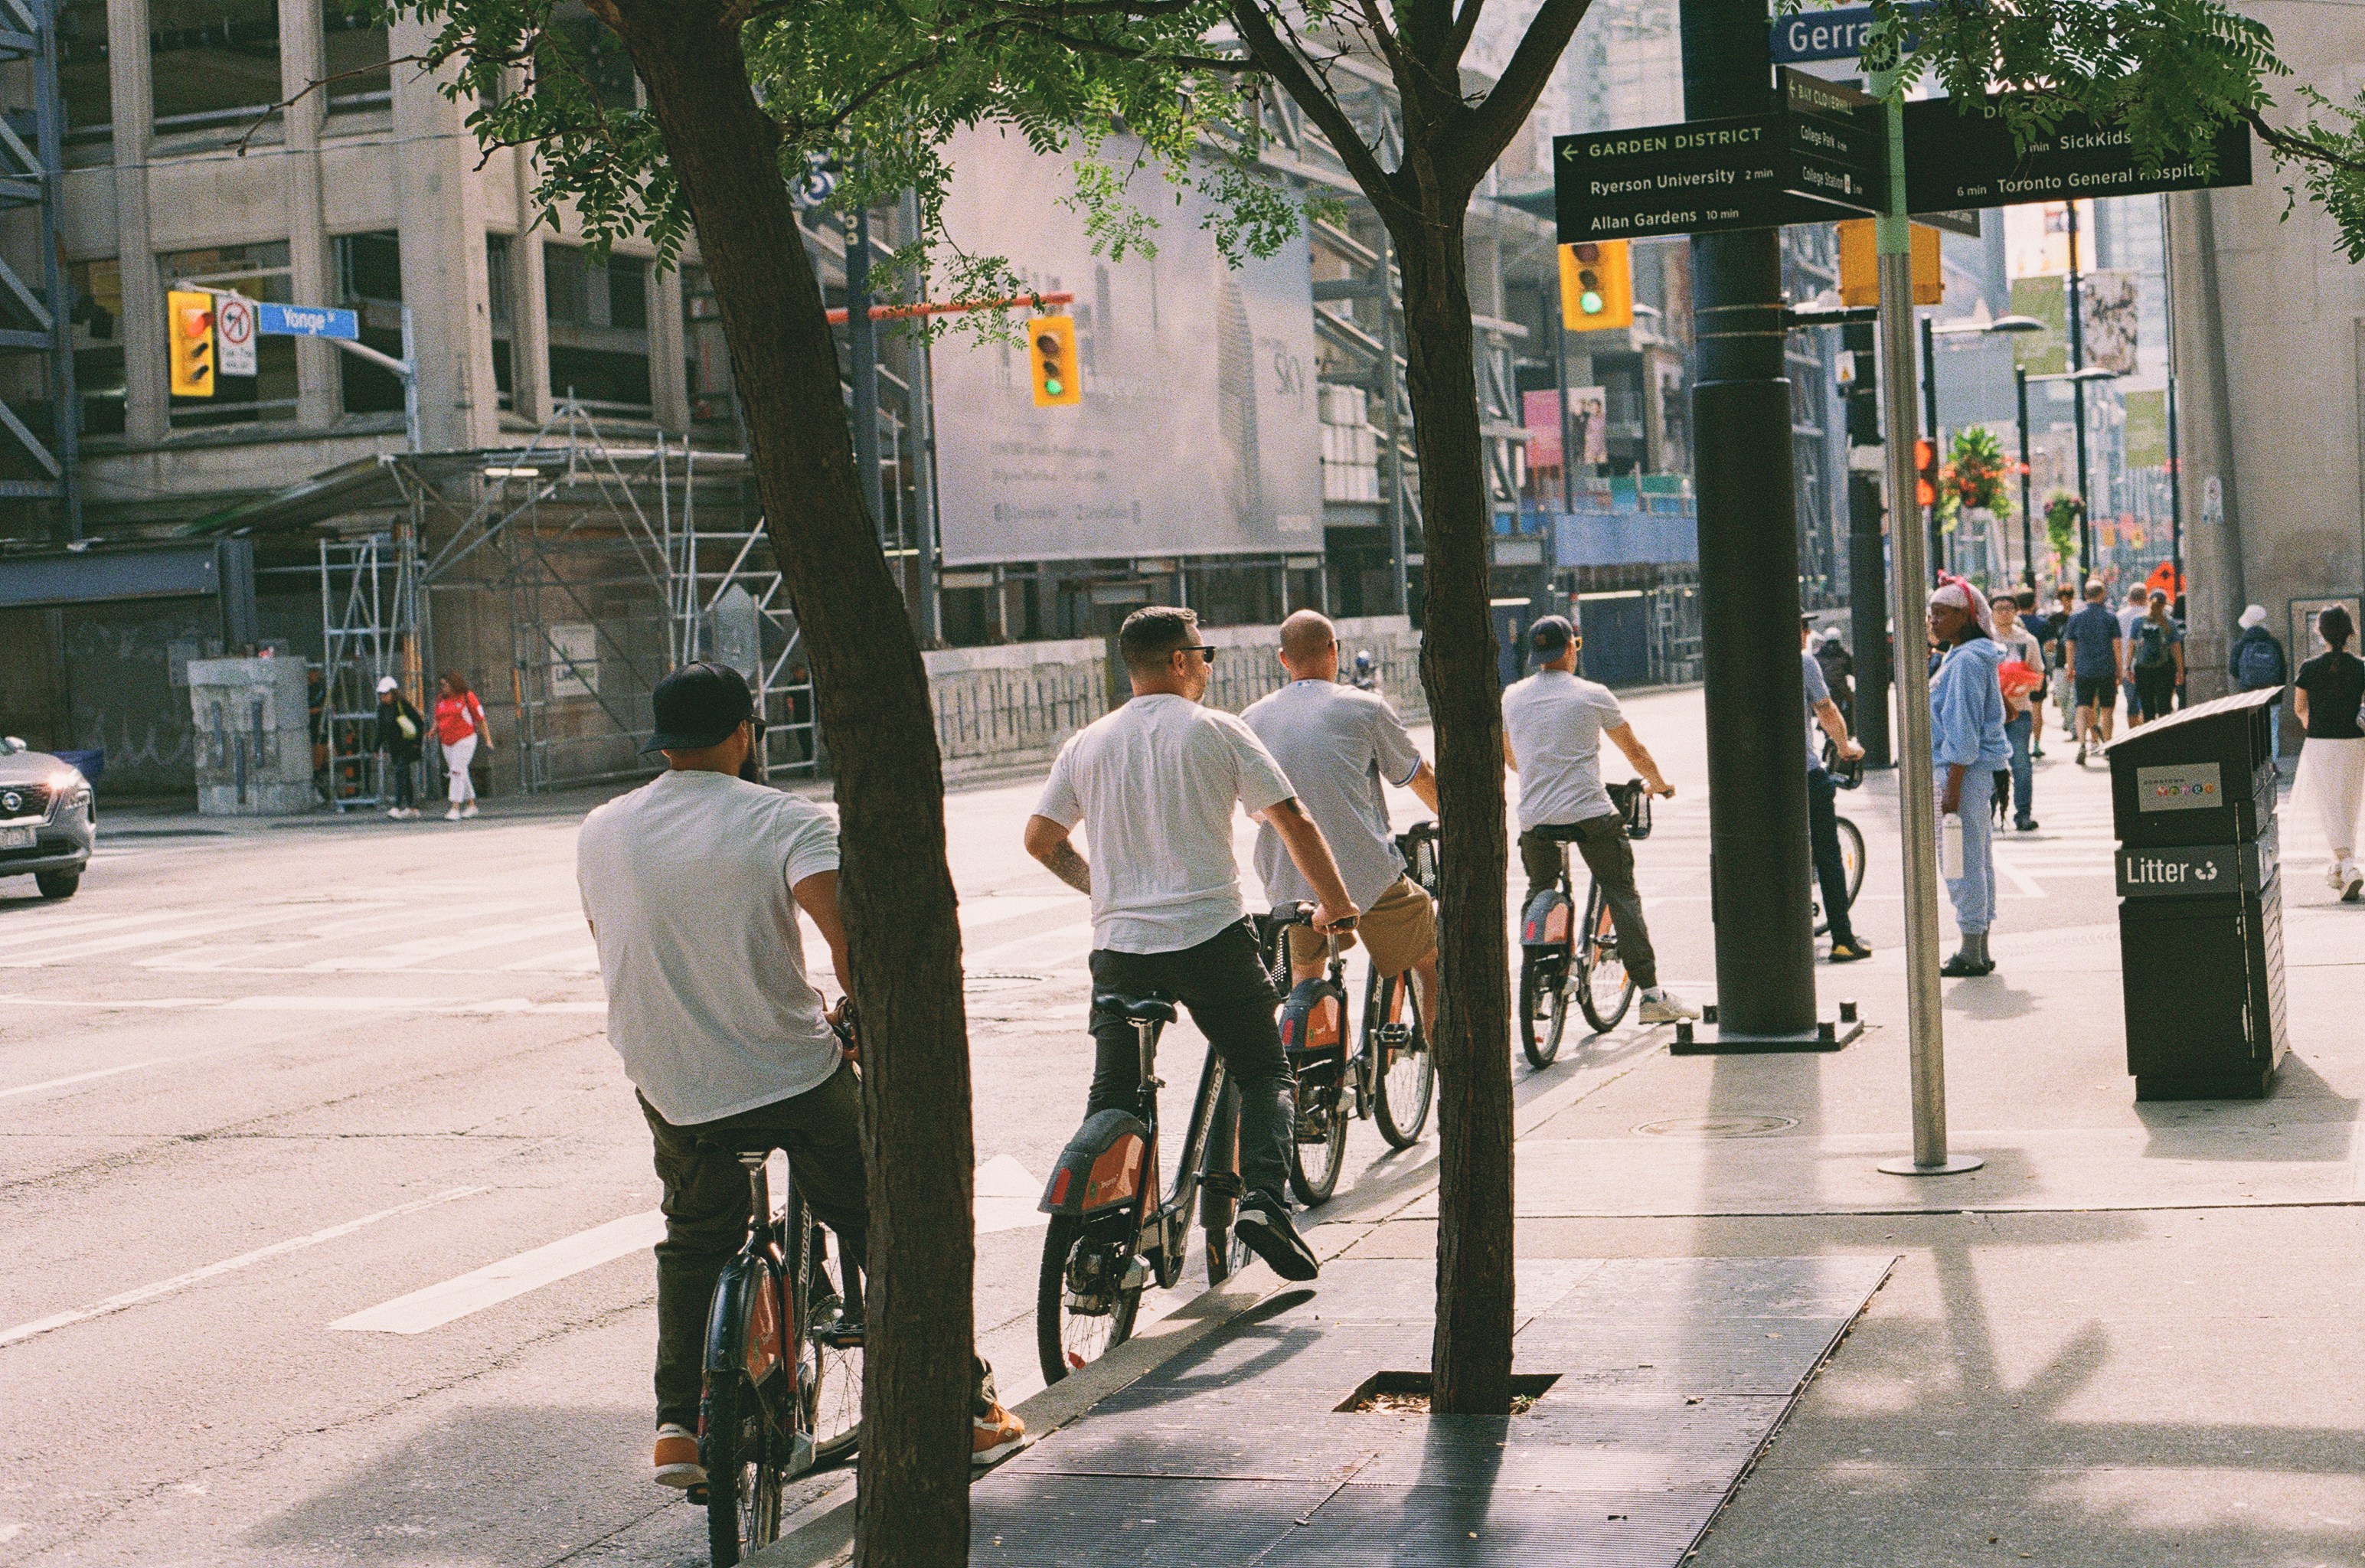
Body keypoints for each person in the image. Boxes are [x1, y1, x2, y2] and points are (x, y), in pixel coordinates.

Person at [576, 662, 1028, 1488]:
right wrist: (868, 1022)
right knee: (878, 1220)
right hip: (787, 1072)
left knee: (693, 1239)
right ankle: (963, 1409)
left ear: (662, 740)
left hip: (667, 1077)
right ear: (745, 732)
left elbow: (611, 936)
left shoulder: (602, 824)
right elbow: (845, 938)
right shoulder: (783, 818)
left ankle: (678, 1425)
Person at [1024, 606, 1357, 1282]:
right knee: (1263, 1071)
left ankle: (1100, 1236)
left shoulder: (1086, 743)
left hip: (1119, 946)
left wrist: (1105, 891)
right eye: (1203, 654)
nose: (1207, 666)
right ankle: (1264, 1201)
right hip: (1208, 938)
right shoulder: (1216, 731)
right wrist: (1338, 906)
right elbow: (1290, 818)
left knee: (1114, 1093)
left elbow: (1041, 840)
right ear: (1178, 661)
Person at [1243, 611, 1442, 1027]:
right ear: (1335, 650)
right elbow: (1416, 776)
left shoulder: (1251, 720)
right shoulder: (1366, 707)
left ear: (1283, 659)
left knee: (1306, 975)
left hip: (1293, 879)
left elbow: (1258, 809)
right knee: (1429, 958)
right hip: (1365, 874)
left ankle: (1320, 1070)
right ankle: (1446, 1066)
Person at [1501, 615, 1699, 1023]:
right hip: (1591, 814)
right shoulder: (1593, 694)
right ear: (1572, 647)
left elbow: (1509, 755)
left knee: (1540, 888)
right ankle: (1651, 995)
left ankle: (1536, 985)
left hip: (1536, 818)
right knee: (1620, 891)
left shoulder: (1512, 696)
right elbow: (1635, 750)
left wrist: (1541, 773)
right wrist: (1659, 784)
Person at [1929, 580, 2011, 976]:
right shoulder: (1972, 655)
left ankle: (1970, 952)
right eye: (1933, 612)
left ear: (1965, 616)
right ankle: (1979, 947)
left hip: (1958, 772)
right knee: (1977, 859)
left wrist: (1952, 787)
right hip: (1975, 773)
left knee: (1959, 860)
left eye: (1942, 612)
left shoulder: (1963, 661)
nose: (1934, 619)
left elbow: (1961, 730)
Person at [1801, 618, 1870, 962]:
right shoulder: (1802, 661)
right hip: (1803, 775)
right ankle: (1842, 938)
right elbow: (1826, 709)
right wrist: (1845, 746)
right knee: (1828, 854)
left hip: (1754, 784)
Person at [2293, 604, 2365, 902]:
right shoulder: (2362, 667)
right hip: (2355, 741)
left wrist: (2316, 726)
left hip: (2320, 742)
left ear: (2320, 632)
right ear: (2350, 632)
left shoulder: (2309, 668)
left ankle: (2348, 866)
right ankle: (2339, 866)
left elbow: (2300, 709)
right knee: (2349, 803)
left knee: (2328, 805)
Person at [1992, 595, 2044, 831]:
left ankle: (2023, 814)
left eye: (2008, 608)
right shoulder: (1984, 638)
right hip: (1989, 714)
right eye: (1999, 608)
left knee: (2021, 763)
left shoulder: (2027, 640)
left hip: (2020, 710)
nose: (2004, 612)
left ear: (2015, 611)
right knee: (1990, 764)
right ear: (1991, 611)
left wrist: (2024, 682)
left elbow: (2039, 676)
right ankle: (1988, 814)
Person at [2063, 580, 2124, 764]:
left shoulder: (2075, 617)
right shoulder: (2110, 617)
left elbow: (2070, 644)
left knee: (2082, 706)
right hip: (2106, 668)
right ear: (2102, 594)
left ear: (2086, 595)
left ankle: (2082, 744)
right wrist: (2119, 668)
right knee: (2107, 710)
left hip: (2083, 668)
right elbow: (2117, 645)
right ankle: (2107, 745)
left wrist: (2070, 666)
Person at [2229, 603, 2290, 770]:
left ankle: (2255, 764)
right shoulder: (2274, 643)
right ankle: (2272, 764)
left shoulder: (2241, 644)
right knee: (2272, 728)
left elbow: (2233, 669)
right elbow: (2283, 670)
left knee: (2252, 728)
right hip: (2272, 694)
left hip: (2249, 693)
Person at [433, 672, 491, 820]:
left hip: (465, 739)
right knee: (461, 771)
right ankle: (471, 805)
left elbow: (480, 719)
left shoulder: (467, 696)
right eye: (441, 684)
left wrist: (488, 740)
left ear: (454, 683)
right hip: (447, 741)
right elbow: (438, 718)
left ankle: (455, 807)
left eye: (446, 684)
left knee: (456, 771)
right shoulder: (440, 699)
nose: (443, 687)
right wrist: (433, 729)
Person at [374, 676, 426, 819]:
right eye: (381, 694)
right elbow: (381, 730)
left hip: (408, 745)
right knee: (405, 775)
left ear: (393, 693)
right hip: (395, 747)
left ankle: (397, 806)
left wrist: (417, 743)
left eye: (386, 693)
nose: (383, 697)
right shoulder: (382, 709)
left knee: (400, 773)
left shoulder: (402, 705)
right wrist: (377, 747)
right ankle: (412, 807)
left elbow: (419, 723)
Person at [2129, 590, 2184, 725]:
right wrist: (2180, 671)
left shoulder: (2137, 621)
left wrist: (2127, 667)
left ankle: (2149, 740)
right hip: (2165, 669)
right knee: (2165, 707)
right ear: (2165, 604)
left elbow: (2131, 646)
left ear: (2149, 601)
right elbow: (2176, 648)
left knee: (2147, 708)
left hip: (2143, 669)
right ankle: (2163, 738)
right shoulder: (2169, 622)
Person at [2014, 590, 2051, 758]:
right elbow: (2050, 647)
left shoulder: (2013, 624)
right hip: (2036, 670)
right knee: (2037, 708)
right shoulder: (2043, 624)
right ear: (2033, 603)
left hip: (2015, 672)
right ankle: (2036, 745)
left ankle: (2021, 744)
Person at [2047, 583, 2080, 748]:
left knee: (2075, 697)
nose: (2067, 603)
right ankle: (2068, 721)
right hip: (2060, 662)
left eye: (2069, 599)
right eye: (2064, 600)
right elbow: (2049, 639)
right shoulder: (2055, 619)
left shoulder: (2078, 617)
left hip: (2078, 662)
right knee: (2061, 695)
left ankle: (2075, 729)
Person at [2117, 583, 2153, 726]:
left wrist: (2120, 667)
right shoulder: (2155, 614)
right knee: (2148, 701)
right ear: (2146, 597)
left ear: (2129, 598)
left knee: (2131, 704)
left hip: (2128, 667)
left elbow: (2117, 643)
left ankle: (2133, 735)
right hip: (2151, 665)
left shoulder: (2120, 616)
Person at [1812, 627, 1857, 729]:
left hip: (1825, 689)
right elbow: (1853, 670)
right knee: (1851, 701)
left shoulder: (1818, 654)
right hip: (1839, 689)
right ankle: (1850, 728)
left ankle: (1822, 724)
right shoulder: (1844, 654)